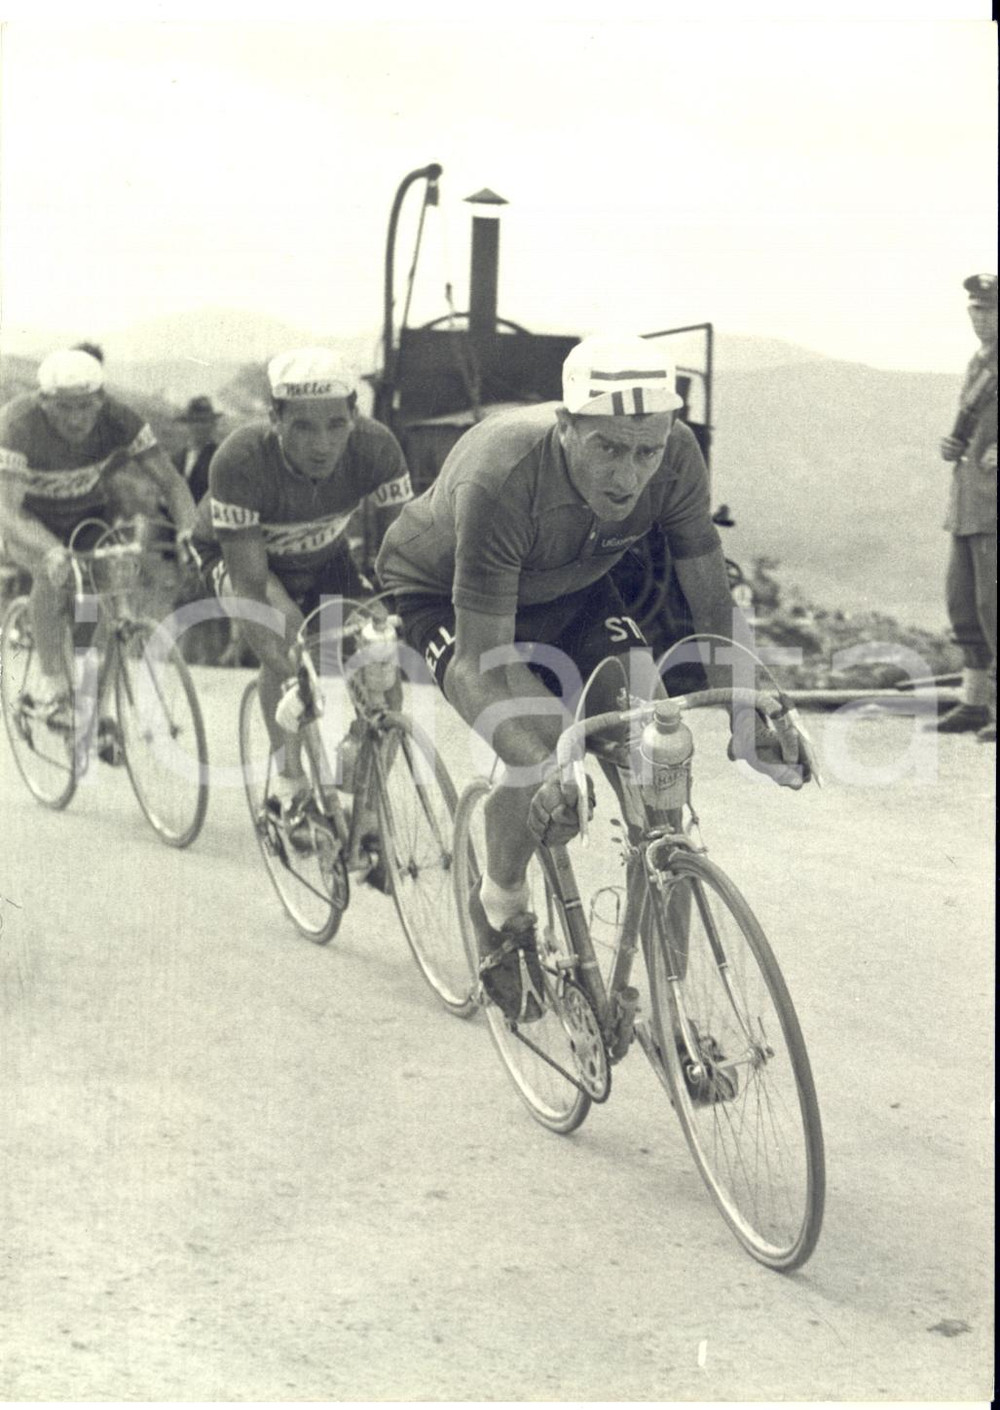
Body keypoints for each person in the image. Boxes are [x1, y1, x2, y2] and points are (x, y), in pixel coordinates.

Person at [376, 333, 808, 1022]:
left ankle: (671, 1017)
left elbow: (710, 596)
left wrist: (749, 707)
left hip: (574, 594)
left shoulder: (679, 458)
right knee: (550, 752)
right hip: (451, 602)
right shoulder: (503, 473)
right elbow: (483, 663)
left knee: (661, 763)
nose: (628, 475)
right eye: (606, 447)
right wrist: (550, 765)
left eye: (646, 451)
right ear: (566, 425)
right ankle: (502, 901)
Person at [192, 346, 413, 822]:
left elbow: (406, 552)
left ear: (355, 416)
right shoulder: (240, 460)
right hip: (246, 559)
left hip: (325, 555)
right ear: (275, 419)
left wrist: (396, 621)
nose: (322, 444)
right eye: (303, 427)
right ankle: (290, 789)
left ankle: (367, 814)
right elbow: (252, 590)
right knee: (291, 640)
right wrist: (290, 671)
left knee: (381, 668)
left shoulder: (377, 447)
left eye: (336, 424)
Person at [0, 347, 199, 714]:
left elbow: (171, 483)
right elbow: (7, 510)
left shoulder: (121, 420)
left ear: (102, 400)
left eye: (85, 406)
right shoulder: (17, 423)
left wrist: (189, 529)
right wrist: (50, 550)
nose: (76, 419)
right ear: (44, 402)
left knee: (100, 595)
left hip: (85, 517)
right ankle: (52, 683)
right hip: (29, 522)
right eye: (64, 407)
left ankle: (97, 707)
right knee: (53, 571)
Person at [928, 273, 997, 742]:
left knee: (994, 606)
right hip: (970, 502)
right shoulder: (980, 364)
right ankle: (973, 704)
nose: (980, 318)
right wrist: (951, 444)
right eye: (975, 309)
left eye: (989, 310)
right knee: (964, 606)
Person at [173, 395, 223, 504]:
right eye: (194, 421)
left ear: (213, 424)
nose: (199, 427)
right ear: (188, 424)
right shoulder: (177, 459)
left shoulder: (220, 458)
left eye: (204, 421)